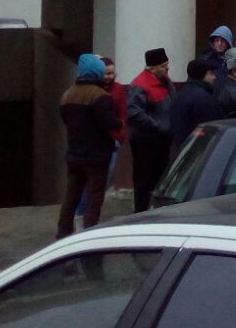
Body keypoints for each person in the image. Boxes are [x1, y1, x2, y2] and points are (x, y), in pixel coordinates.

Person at [57, 54, 118, 238]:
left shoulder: (67, 95)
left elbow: (65, 119)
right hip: (96, 156)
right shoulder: (100, 96)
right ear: (97, 72)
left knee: (71, 196)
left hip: (74, 154)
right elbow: (108, 122)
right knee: (94, 197)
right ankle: (90, 234)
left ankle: (63, 233)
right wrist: (120, 122)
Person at [125, 48, 175, 212]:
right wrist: (160, 127)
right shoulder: (140, 85)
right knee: (144, 181)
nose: (167, 68)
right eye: (163, 65)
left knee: (159, 178)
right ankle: (142, 212)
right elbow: (135, 113)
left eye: (167, 64)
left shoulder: (165, 81)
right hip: (145, 143)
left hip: (161, 140)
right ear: (152, 68)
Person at [168, 59, 222, 149]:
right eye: (211, 73)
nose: (214, 77)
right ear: (202, 75)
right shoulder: (204, 98)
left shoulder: (180, 94)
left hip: (181, 148)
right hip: (198, 148)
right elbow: (211, 127)